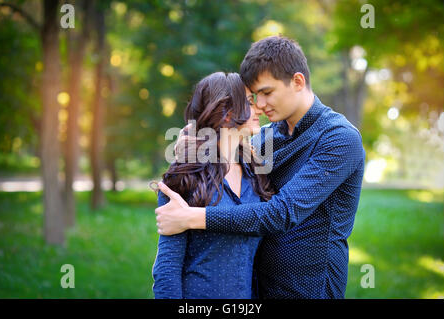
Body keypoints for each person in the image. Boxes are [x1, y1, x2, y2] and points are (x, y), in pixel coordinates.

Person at [155, 36, 366, 299]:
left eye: (267, 93)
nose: (261, 105)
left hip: (309, 291)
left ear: (298, 82)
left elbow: (281, 213)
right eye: (254, 96)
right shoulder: (264, 138)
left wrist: (193, 218)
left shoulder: (339, 138)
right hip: (257, 290)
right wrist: (194, 145)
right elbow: (224, 140)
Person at [152, 72, 275, 299]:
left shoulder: (257, 174)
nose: (259, 108)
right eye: (249, 102)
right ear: (226, 113)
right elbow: (167, 270)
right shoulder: (186, 176)